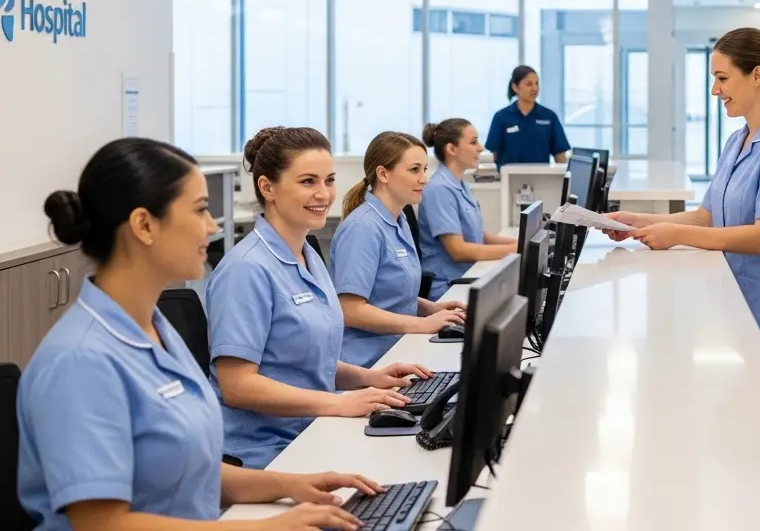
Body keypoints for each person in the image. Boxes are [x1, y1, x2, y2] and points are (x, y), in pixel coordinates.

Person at [19, 137, 376, 530]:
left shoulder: (154, 329)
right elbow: (101, 523)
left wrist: (292, 485)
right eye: (201, 210)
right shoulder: (80, 359)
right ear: (144, 224)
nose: (212, 226)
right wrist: (262, 526)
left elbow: (189, 469)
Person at [603, 28, 760, 424]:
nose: (715, 90)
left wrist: (677, 237)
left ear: (757, 75)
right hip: (743, 314)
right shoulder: (739, 140)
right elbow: (707, 215)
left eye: (722, 78)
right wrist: (641, 221)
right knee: (753, 444)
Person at [206, 127, 432, 469]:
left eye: (329, 180)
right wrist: (336, 403)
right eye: (308, 181)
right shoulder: (246, 269)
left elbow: (306, 362)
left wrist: (370, 377)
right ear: (267, 187)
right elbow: (237, 386)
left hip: (312, 430)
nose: (324, 194)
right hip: (264, 454)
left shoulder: (308, 257)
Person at [331, 131, 467, 368]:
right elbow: (350, 309)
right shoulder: (363, 228)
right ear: (383, 174)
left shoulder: (399, 219)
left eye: (425, 169)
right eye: (414, 170)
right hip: (368, 363)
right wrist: (421, 324)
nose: (424, 179)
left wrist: (428, 308)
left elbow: (388, 293)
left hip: (399, 349)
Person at [419, 119, 516, 299]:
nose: (480, 148)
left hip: (467, 276)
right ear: (452, 149)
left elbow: (478, 235)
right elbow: (459, 251)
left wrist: (518, 244)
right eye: (473, 142)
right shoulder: (439, 189)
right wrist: (514, 249)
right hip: (447, 288)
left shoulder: (459, 184)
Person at [484, 65, 570, 166]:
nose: (535, 88)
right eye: (529, 84)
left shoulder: (549, 117)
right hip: (509, 179)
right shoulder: (501, 117)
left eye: (536, 83)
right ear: (515, 87)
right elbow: (495, 154)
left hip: (541, 178)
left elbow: (560, 154)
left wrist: (563, 178)